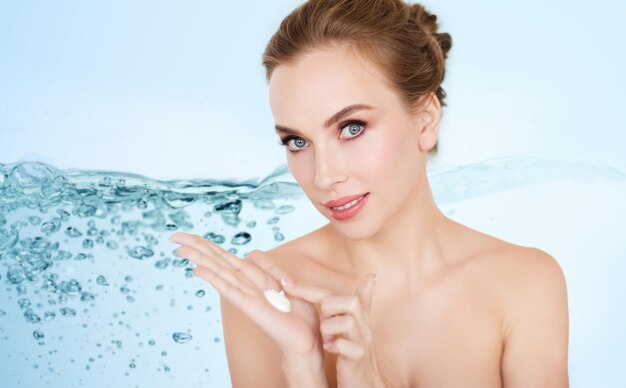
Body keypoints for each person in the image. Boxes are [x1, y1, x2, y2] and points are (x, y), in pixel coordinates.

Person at [169, 0, 570, 386]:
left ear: (426, 121)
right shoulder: (267, 297)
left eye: (351, 127)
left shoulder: (524, 283)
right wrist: (304, 365)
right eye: (296, 141)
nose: (324, 176)